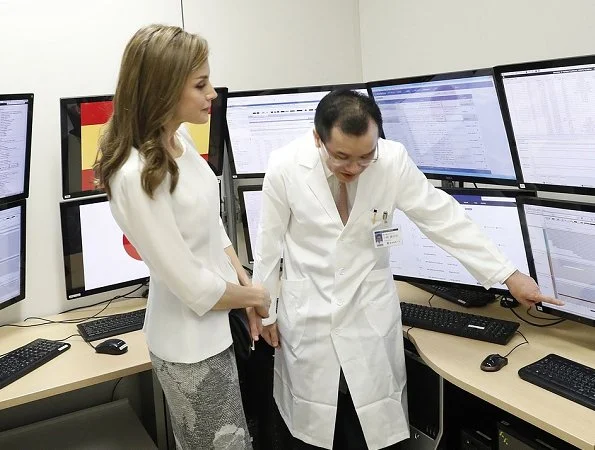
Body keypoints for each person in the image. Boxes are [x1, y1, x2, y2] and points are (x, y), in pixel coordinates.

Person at [252, 89, 564, 450]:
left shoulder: (392, 160)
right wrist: (267, 309)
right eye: (341, 157)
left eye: (365, 156)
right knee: (313, 434)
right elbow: (268, 244)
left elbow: (442, 218)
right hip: (308, 314)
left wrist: (508, 275)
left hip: (368, 313)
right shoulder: (285, 165)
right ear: (317, 138)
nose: (353, 168)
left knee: (372, 435)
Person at [93, 24, 270, 450]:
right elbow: (191, 286)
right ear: (163, 89)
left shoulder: (179, 138)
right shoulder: (134, 175)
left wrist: (244, 282)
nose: (213, 94)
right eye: (201, 84)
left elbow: (212, 222)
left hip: (219, 322)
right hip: (189, 346)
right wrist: (258, 298)